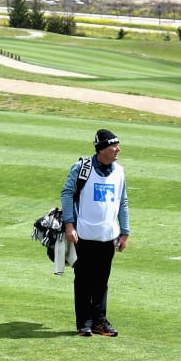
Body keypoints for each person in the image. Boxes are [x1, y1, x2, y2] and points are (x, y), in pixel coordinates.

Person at [61, 129, 129, 337]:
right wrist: (69, 225)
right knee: (83, 280)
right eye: (113, 145)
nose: (118, 149)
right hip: (83, 235)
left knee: (101, 281)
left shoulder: (119, 171)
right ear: (102, 149)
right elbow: (67, 193)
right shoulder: (82, 168)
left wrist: (125, 231)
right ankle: (84, 323)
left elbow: (123, 202)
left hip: (108, 236)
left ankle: (99, 321)